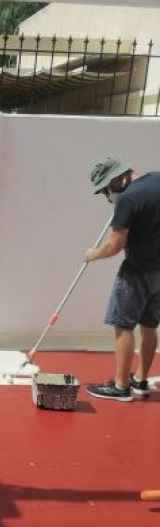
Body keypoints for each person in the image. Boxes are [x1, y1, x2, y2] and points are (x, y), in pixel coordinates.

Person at [85, 157, 160, 402]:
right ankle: (140, 380)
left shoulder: (127, 199)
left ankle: (121, 386)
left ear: (116, 180)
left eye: (106, 190)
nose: (108, 196)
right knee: (149, 325)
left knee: (124, 325)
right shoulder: (158, 179)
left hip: (137, 272)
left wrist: (92, 255)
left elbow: (115, 246)